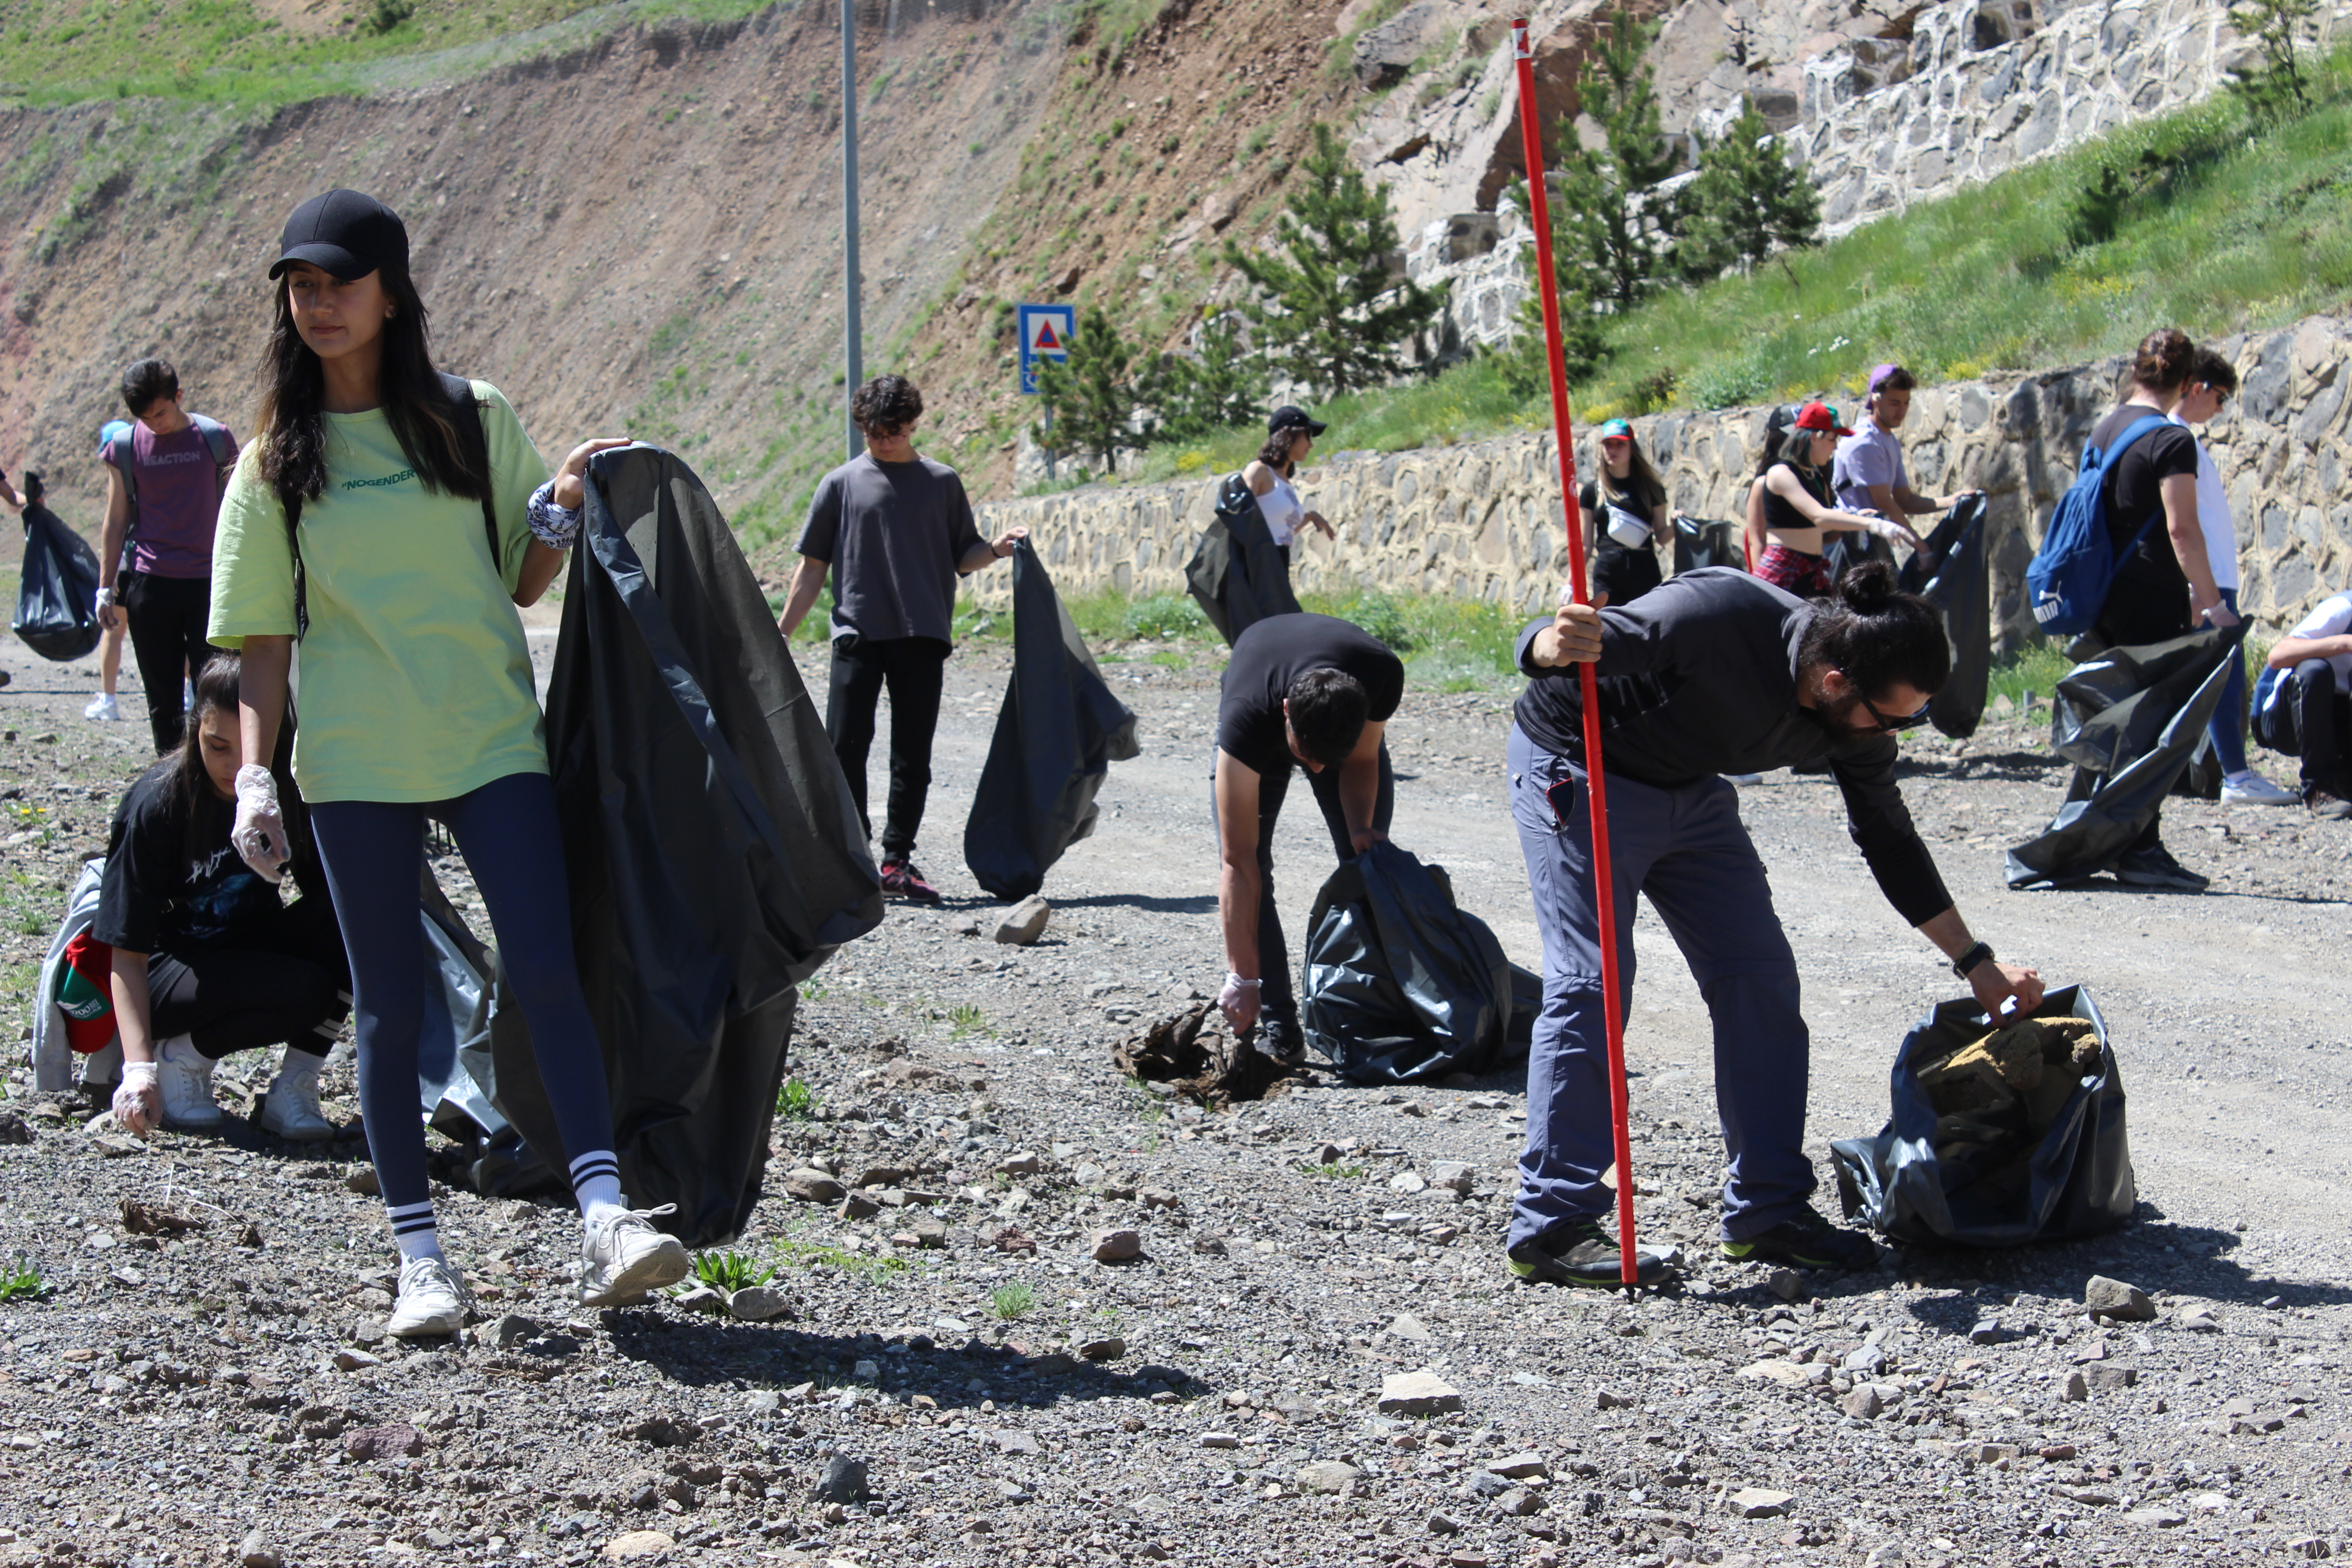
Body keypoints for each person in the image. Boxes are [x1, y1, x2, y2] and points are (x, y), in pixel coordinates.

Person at [205, 187, 689, 1337]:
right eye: (300, 286)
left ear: (391, 292)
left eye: (339, 283)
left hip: (486, 739)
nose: (318, 304)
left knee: (546, 968)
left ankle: (607, 1214)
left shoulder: (472, 418)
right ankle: (421, 1261)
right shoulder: (275, 462)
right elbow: (264, 643)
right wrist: (259, 775)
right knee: (389, 1003)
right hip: (359, 761)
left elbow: (524, 577)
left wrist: (564, 504)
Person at [1505, 563, 2044, 1287]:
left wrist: (1977, 965)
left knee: (1759, 975)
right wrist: (1547, 642)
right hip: (1579, 764)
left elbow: (1889, 839)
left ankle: (1767, 1211)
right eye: (1891, 719)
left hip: (1687, 790)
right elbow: (1565, 644)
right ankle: (1553, 1222)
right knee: (1594, 982)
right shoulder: (1716, 615)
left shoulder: (1856, 719)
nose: (1896, 734)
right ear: (1833, 683)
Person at [776, 374, 1026, 903]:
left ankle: (897, 861)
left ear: (913, 424)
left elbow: (965, 555)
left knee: (912, 756)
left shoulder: (942, 482)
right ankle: (851, 857)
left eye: (892, 431)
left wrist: (998, 549)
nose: (882, 441)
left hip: (922, 635)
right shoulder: (839, 484)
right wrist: (781, 635)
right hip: (857, 635)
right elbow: (811, 569)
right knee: (845, 747)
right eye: (872, 433)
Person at [102, 654, 348, 1141]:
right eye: (217, 746)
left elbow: (326, 901)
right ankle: (181, 1059)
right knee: (305, 991)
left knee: (351, 915)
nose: (234, 767)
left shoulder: (285, 792)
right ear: (195, 727)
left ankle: (295, 1085)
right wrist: (138, 1068)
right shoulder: (156, 804)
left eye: (249, 749)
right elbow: (126, 952)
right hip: (167, 973)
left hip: (244, 949)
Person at [2069, 327, 2237, 890]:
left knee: (2118, 717)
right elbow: (2182, 530)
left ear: (2136, 371)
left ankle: (2100, 835)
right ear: (2188, 382)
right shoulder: (2171, 439)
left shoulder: (2107, 428)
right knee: (2153, 724)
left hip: (2104, 593)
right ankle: (2140, 848)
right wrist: (2213, 606)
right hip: (2151, 595)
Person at [1212, 612, 1403, 1063]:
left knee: (1370, 864)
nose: (1316, 771)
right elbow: (1237, 861)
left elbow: (1360, 761)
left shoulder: (1380, 674)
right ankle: (1281, 1023)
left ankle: (1366, 1014)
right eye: (1307, 757)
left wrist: (1359, 832)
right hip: (1263, 705)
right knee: (1255, 867)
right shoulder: (1248, 719)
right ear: (1286, 715)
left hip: (1337, 727)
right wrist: (1243, 978)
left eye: (1326, 760)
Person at [2166, 350, 2297, 807]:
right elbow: (2177, 523)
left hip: (2213, 576)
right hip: (2207, 580)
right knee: (2224, 674)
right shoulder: (2175, 438)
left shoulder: (2183, 439)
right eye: (2220, 398)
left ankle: (2211, 772)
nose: (2221, 410)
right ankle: (2235, 776)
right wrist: (2198, 587)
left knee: (2214, 675)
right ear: (2198, 387)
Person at [98, 359, 240, 754]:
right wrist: (104, 588)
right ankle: (169, 782)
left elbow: (240, 510)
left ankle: (212, 779)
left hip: (208, 584)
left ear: (178, 397)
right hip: (151, 585)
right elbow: (115, 520)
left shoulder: (214, 439)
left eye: (160, 413)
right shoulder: (125, 448)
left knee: (213, 693)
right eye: (145, 418)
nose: (155, 423)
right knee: (161, 699)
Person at [1752, 402, 1916, 598]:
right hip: (1785, 568)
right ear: (1815, 437)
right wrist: (1875, 524)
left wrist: (1854, 518)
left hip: (1812, 569)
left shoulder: (1814, 475)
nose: (1836, 446)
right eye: (1832, 439)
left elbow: (1817, 526)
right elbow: (1819, 517)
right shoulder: (1781, 473)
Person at [1832, 364, 1979, 524]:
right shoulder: (1864, 443)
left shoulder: (1887, 438)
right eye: (1895, 404)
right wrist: (1921, 547)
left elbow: (1904, 500)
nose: (1902, 411)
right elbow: (1886, 505)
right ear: (1875, 400)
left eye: (1906, 403)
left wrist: (1951, 501)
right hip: (1853, 543)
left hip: (1874, 541)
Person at [2253, 588, 2352, 820]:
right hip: (2287, 715)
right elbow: (2278, 656)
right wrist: (2344, 644)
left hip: (2337, 716)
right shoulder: (2343, 609)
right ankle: (2318, 789)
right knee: (2315, 671)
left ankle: (2343, 783)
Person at [1580, 418, 1673, 608]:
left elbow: (1662, 536)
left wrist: (1677, 525)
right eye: (1608, 444)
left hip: (1644, 568)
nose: (1613, 450)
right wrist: (1570, 584)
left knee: (1649, 631)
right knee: (1609, 632)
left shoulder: (1651, 489)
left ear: (1632, 448)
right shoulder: (1592, 491)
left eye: (1620, 444)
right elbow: (1585, 545)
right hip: (1608, 571)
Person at [83, 420, 137, 723]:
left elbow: (114, 525)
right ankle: (188, 694)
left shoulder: (117, 474)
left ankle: (109, 701)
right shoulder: (145, 466)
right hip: (154, 563)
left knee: (114, 634)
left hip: (126, 566)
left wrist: (108, 577)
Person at [1242, 405, 1339, 568]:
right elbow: (1237, 520)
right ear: (1289, 435)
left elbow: (1281, 532)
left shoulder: (1283, 480)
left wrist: (1310, 517)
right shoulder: (1259, 471)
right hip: (1258, 567)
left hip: (1277, 564)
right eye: (1308, 436)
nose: (1311, 445)